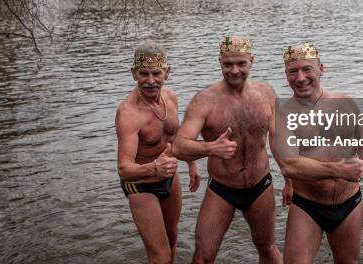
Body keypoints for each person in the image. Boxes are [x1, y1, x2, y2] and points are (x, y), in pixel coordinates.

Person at [172, 36, 284, 264]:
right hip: (222, 189)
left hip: (260, 185)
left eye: (241, 64)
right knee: (204, 255)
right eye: (228, 64)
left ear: (251, 61)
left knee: (267, 247)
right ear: (219, 62)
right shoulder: (204, 100)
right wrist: (211, 147)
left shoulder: (267, 94)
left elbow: (278, 139)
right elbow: (179, 146)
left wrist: (290, 178)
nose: (234, 71)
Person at [271, 42, 363, 264]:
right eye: (293, 71)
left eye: (307, 69)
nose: (300, 78)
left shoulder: (346, 105)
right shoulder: (283, 114)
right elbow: (289, 165)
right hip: (307, 205)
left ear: (321, 69)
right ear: (286, 76)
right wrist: (339, 169)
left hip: (349, 202)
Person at [115, 41, 201, 264]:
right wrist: (153, 167)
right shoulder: (128, 113)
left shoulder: (170, 97)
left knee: (172, 240)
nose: (151, 81)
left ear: (167, 72)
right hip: (140, 184)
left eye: (156, 73)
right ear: (134, 73)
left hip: (169, 176)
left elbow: (174, 136)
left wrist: (191, 164)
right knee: (160, 256)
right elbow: (124, 168)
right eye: (144, 74)